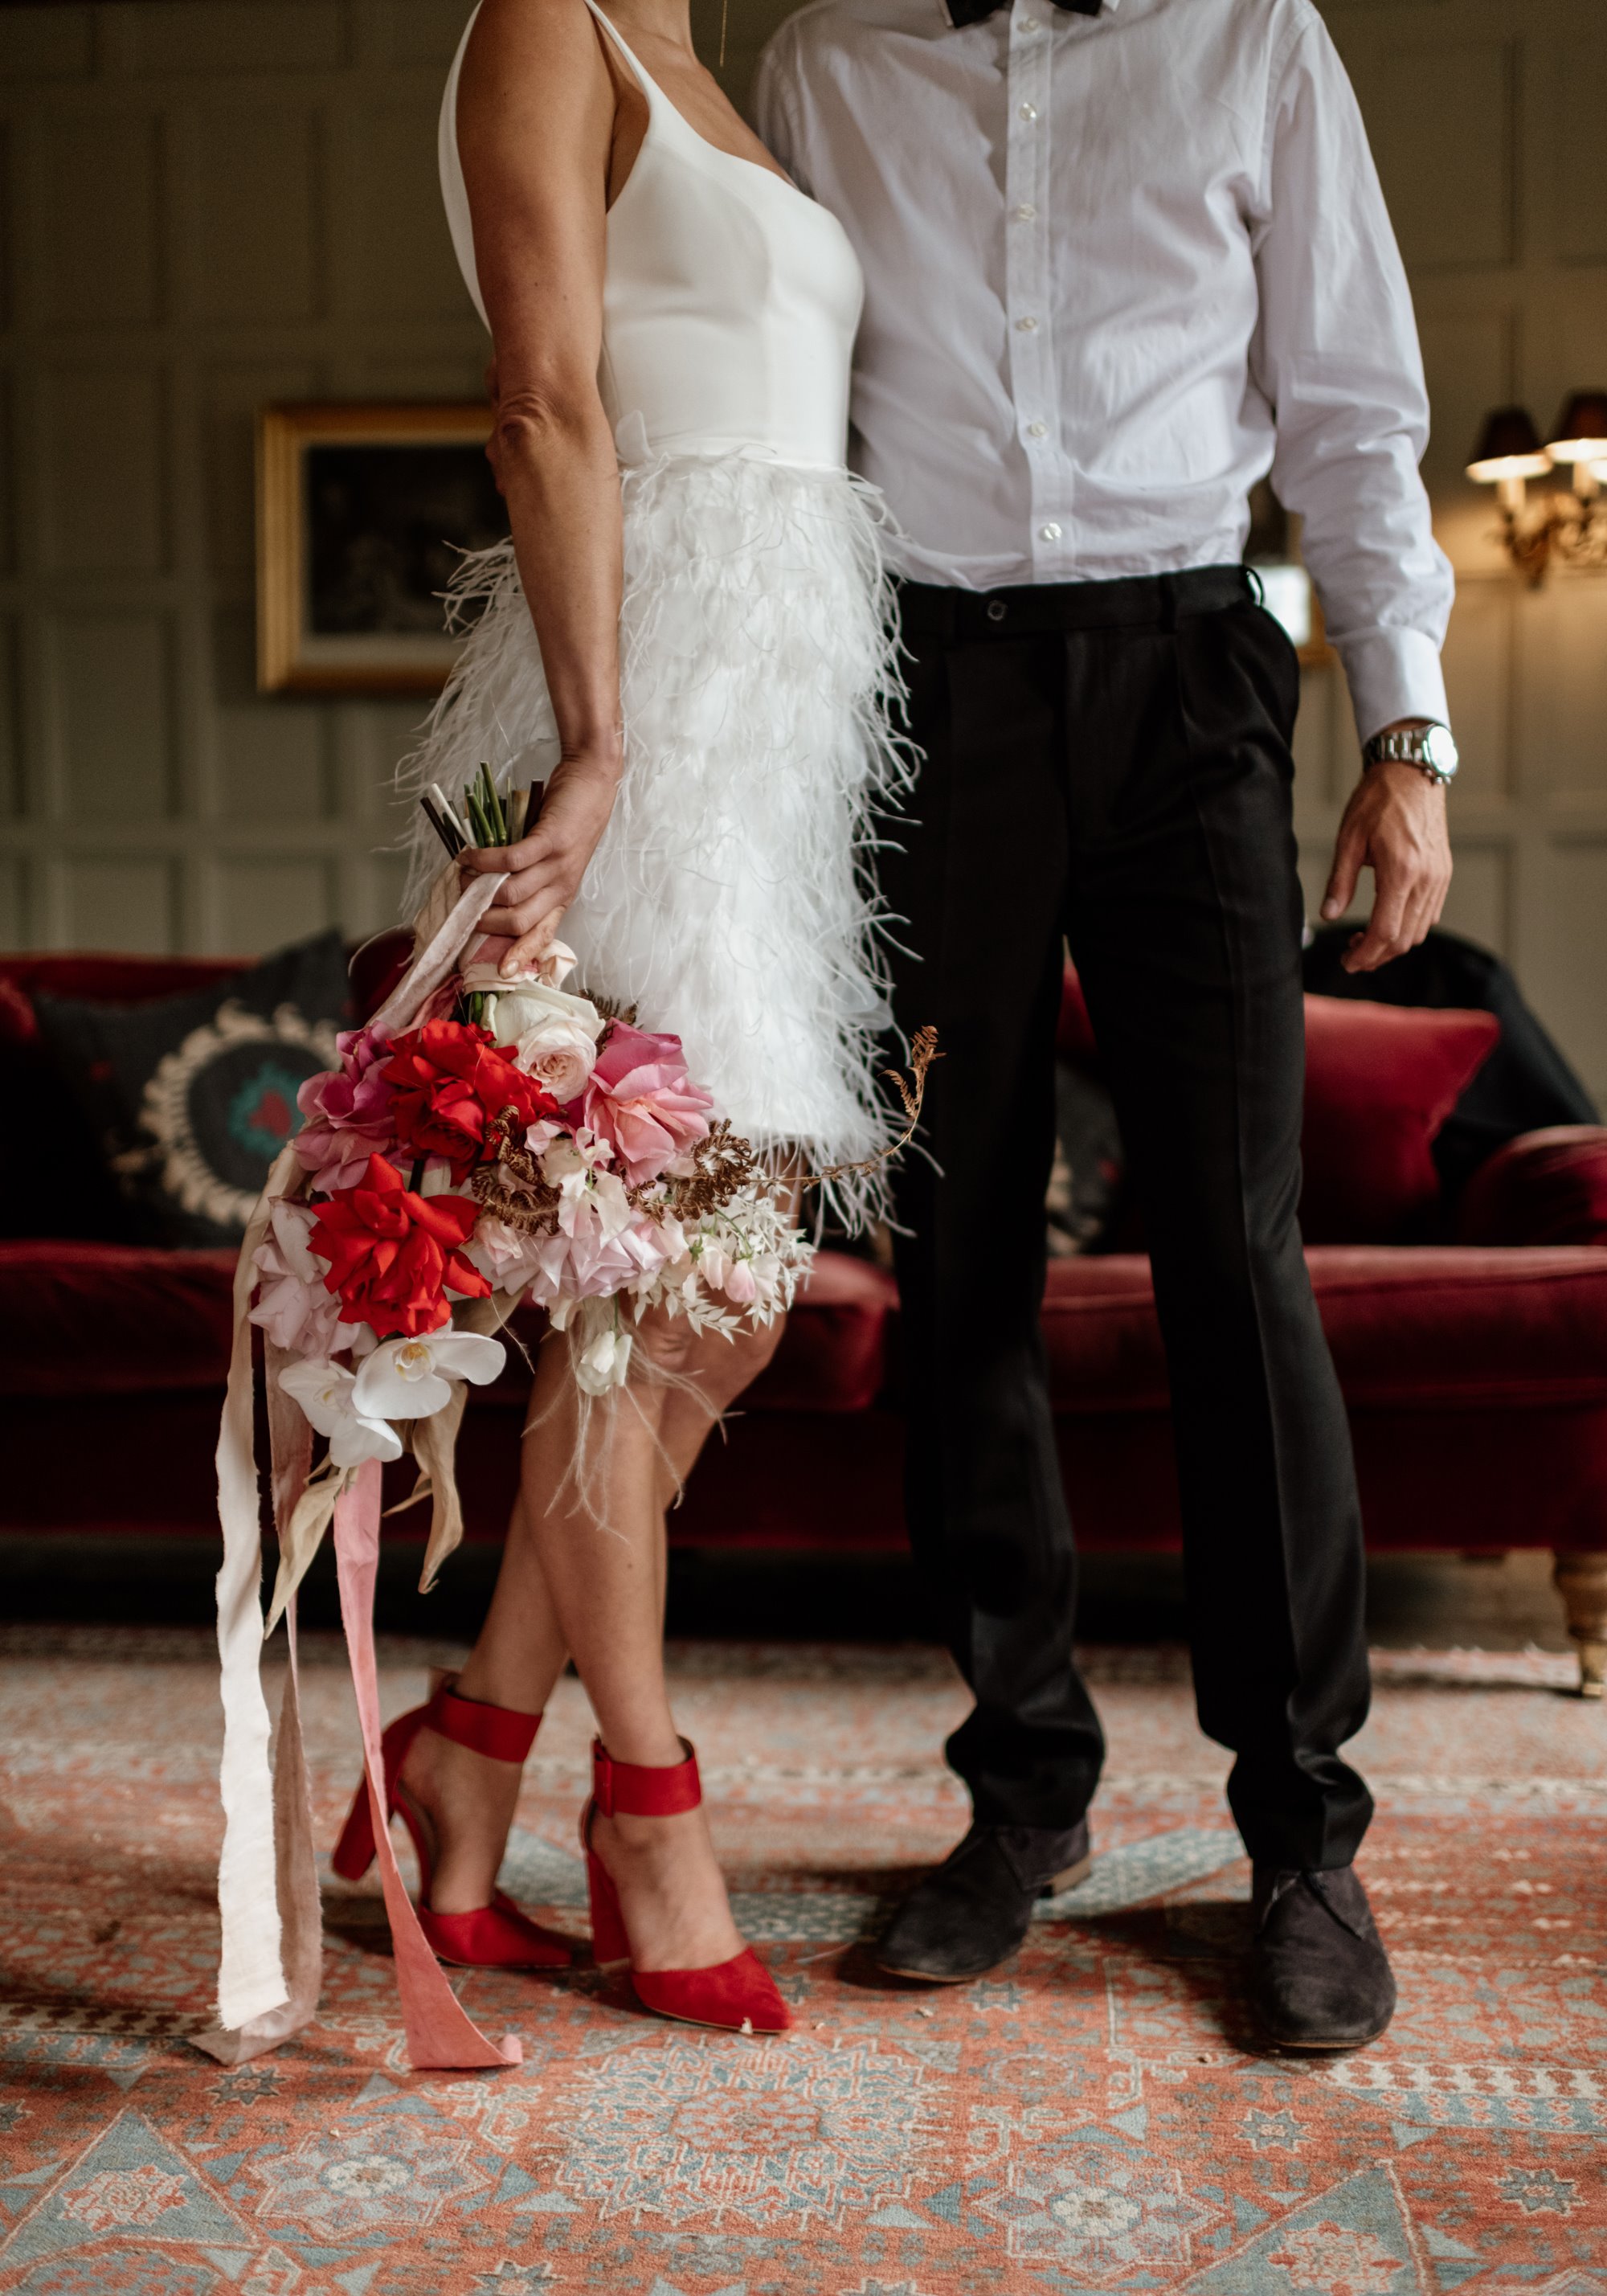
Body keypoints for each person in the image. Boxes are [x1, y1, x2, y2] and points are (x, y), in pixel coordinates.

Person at [754, 0, 1458, 2049]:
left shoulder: (1252, 37)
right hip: (923, 698)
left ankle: (1300, 1836)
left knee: (1236, 1258)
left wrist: (1403, 735)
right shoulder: (822, 57)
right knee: (952, 1245)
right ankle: (1022, 1788)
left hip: (1191, 679)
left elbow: (1348, 402)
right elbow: (784, 424)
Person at [331, 0, 905, 2037]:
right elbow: (544, 395)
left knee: (721, 1304)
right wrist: (593, 747)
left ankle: (464, 1767)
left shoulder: (715, 49)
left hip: (773, 717)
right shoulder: (541, 25)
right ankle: (644, 1818)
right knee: (632, 1291)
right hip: (643, 688)